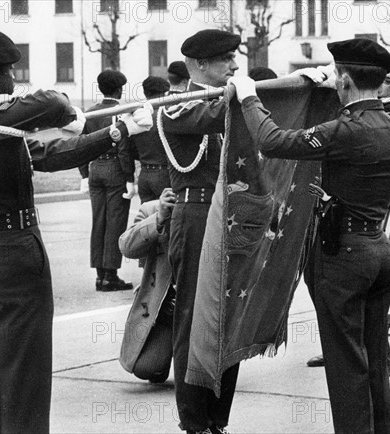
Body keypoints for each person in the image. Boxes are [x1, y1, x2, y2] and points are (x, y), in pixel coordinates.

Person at [0, 25, 152, 433]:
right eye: (7, 73)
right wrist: (64, 111)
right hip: (11, 256)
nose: (12, 81)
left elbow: (51, 156)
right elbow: (52, 101)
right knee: (25, 382)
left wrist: (119, 131)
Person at [229, 38, 390, 433]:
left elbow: (273, 141)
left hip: (342, 257)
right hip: (379, 252)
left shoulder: (346, 130)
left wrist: (248, 97)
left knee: (347, 369)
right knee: (375, 362)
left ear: (343, 80)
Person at [159, 29, 241, 434]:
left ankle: (217, 418)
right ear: (202, 64)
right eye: (227, 59)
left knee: (229, 318)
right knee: (194, 317)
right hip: (196, 214)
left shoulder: (228, 100)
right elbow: (213, 116)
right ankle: (194, 421)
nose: (234, 66)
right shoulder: (175, 106)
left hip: (231, 214)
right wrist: (249, 96)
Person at [306, 56, 390, 373]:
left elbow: (274, 141)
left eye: (389, 81)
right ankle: (348, 349)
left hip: (350, 240)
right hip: (359, 237)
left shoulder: (380, 119)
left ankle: (356, 352)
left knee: (353, 364)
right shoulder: (383, 123)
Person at [79, 70, 136, 291]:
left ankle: (100, 275)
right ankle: (111, 275)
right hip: (114, 169)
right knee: (115, 222)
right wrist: (130, 177)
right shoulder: (118, 113)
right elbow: (123, 148)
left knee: (99, 222)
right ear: (119, 89)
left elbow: (80, 144)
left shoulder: (89, 113)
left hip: (94, 168)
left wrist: (84, 174)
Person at [119, 187, 176, 383]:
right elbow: (127, 247)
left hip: (198, 309)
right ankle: (168, 346)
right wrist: (159, 218)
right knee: (148, 368)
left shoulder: (210, 208)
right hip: (167, 310)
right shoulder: (152, 208)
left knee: (198, 377)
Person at [128, 76, 171, 203]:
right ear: (164, 94)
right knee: (167, 218)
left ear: (145, 93)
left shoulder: (137, 116)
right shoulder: (165, 116)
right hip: (164, 173)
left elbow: (130, 148)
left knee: (147, 218)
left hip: (144, 173)